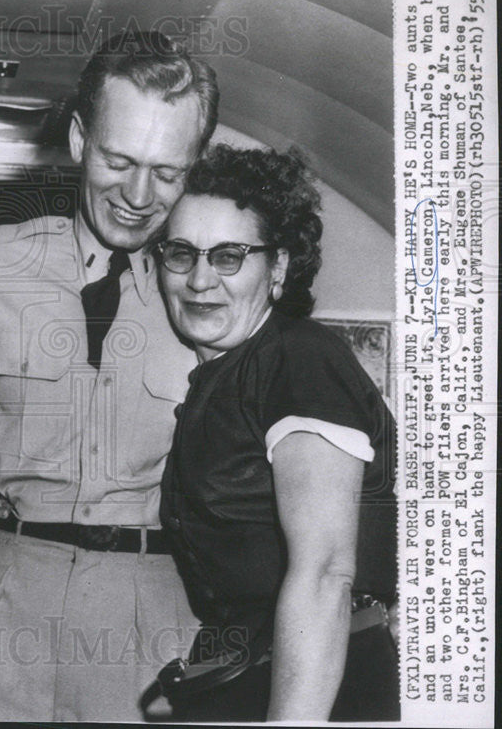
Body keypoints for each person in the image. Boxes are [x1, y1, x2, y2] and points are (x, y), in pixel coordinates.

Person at [0, 32, 218, 721]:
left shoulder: (211, 289)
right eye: (119, 160)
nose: (139, 195)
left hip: (148, 611)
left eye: (167, 172)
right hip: (6, 593)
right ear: (81, 139)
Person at [156, 145, 398, 721]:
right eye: (181, 254)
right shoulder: (230, 369)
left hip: (318, 683)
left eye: (230, 257)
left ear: (280, 268)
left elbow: (325, 572)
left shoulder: (298, 361)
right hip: (246, 674)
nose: (199, 279)